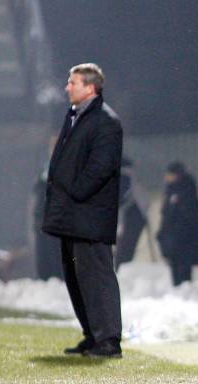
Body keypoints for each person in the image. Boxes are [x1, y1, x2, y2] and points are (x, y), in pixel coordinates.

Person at [42, 63, 123, 358]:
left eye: (72, 82)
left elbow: (101, 168)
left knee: (97, 278)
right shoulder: (78, 116)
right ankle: (92, 335)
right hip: (74, 216)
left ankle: (109, 340)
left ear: (90, 87)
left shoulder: (105, 121)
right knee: (77, 279)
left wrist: (75, 191)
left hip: (90, 216)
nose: (67, 87)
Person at [156, 162, 198, 286]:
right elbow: (166, 213)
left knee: (184, 266)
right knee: (175, 265)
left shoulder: (186, 190)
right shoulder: (170, 190)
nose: (166, 177)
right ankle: (179, 289)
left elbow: (190, 215)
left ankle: (184, 289)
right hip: (173, 237)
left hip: (183, 237)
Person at [115, 157, 148, 266]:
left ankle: (120, 271)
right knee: (124, 247)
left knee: (124, 249)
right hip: (133, 214)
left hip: (132, 214)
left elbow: (121, 197)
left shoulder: (124, 175)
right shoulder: (130, 175)